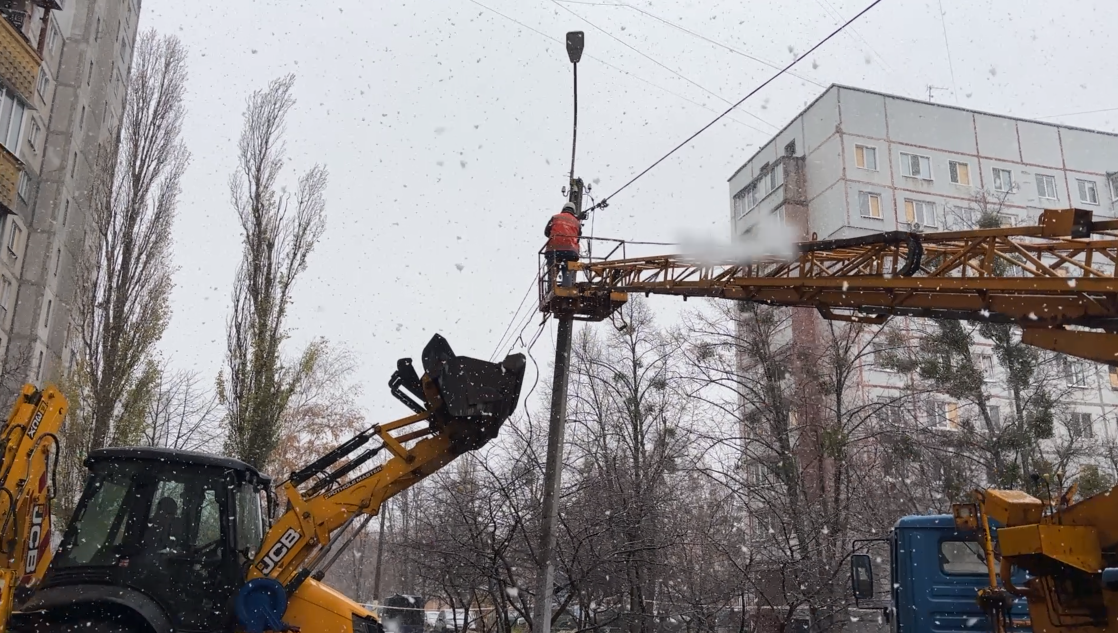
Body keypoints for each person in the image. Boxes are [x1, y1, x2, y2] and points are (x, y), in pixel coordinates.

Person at [544, 202, 581, 287]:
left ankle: (551, 287)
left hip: (553, 249)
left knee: (552, 269)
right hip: (570, 251)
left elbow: (546, 232)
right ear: (573, 211)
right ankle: (566, 286)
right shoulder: (577, 222)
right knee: (568, 269)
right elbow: (578, 238)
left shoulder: (555, 217)